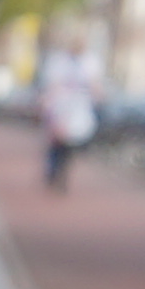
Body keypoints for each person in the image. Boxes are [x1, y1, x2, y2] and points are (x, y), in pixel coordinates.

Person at [39, 35, 101, 192]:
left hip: (77, 110)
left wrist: (97, 95)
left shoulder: (90, 61)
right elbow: (52, 84)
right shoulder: (59, 61)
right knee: (56, 143)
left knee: (68, 146)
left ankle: (61, 176)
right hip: (59, 107)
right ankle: (52, 171)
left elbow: (95, 84)